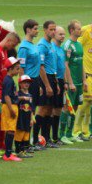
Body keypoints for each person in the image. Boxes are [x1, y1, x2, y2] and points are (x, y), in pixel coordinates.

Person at [17, 19, 41, 150]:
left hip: (35, 81)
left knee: (32, 111)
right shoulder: (24, 47)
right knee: (27, 113)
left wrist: (39, 85)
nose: (37, 31)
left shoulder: (34, 45)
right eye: (35, 28)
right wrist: (22, 86)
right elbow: (21, 68)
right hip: (28, 82)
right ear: (28, 30)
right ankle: (23, 144)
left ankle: (28, 142)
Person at [60, 20, 85, 144]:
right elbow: (65, 65)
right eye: (78, 29)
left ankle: (70, 134)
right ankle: (62, 134)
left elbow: (81, 63)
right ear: (72, 30)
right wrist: (70, 82)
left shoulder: (79, 45)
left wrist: (84, 80)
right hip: (72, 83)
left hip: (79, 83)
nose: (80, 30)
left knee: (75, 107)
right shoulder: (68, 45)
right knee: (67, 107)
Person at [36, 20, 59, 148]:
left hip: (52, 77)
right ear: (45, 30)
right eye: (51, 29)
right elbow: (41, 67)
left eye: (54, 29)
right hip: (45, 79)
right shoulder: (42, 45)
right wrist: (47, 85)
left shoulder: (51, 45)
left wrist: (56, 82)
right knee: (43, 108)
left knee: (50, 109)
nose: (53, 31)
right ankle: (35, 139)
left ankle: (46, 138)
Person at [1, 57, 23, 161]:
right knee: (10, 130)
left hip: (11, 106)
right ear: (10, 69)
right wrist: (11, 109)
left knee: (11, 130)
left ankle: (8, 152)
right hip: (10, 107)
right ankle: (8, 154)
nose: (18, 71)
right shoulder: (8, 80)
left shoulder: (9, 79)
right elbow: (6, 96)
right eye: (17, 68)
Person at [52, 26, 67, 145]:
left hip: (61, 81)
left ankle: (55, 136)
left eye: (63, 34)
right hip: (55, 80)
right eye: (60, 34)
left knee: (58, 109)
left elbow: (63, 67)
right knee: (51, 109)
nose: (62, 36)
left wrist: (65, 82)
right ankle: (50, 136)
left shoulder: (61, 49)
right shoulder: (52, 49)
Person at [15, 75, 34, 158]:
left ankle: (23, 150)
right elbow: (15, 100)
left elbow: (31, 108)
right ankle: (18, 150)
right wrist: (22, 98)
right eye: (24, 82)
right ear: (20, 84)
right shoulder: (18, 94)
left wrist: (32, 119)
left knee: (26, 135)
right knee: (19, 134)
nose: (26, 84)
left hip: (27, 118)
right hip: (20, 118)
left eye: (28, 82)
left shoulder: (30, 95)